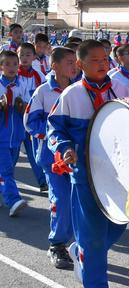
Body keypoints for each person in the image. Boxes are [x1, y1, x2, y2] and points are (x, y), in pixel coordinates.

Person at [47, 40, 129, 286]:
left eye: (105, 59)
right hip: (85, 175)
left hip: (117, 174)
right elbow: (54, 128)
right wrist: (65, 149)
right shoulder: (71, 95)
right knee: (94, 238)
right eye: (95, 60)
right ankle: (92, 269)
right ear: (81, 65)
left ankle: (82, 249)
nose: (102, 63)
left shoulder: (120, 90)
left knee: (120, 222)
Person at [24, 47, 77, 269]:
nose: (74, 66)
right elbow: (30, 121)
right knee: (61, 200)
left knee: (78, 201)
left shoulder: (78, 90)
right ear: (54, 66)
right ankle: (57, 245)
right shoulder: (43, 92)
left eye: (75, 62)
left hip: (76, 158)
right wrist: (53, 136)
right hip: (52, 159)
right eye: (68, 62)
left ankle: (77, 243)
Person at [0, 50, 30, 216]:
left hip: (16, 135)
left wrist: (22, 106)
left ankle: (5, 193)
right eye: (7, 64)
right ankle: (13, 200)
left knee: (8, 169)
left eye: (15, 64)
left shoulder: (21, 85)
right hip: (1, 135)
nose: (12, 68)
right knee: (5, 171)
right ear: (1, 67)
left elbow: (27, 107)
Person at [17, 42, 47, 191]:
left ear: (34, 57)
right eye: (21, 54)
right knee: (12, 155)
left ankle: (42, 182)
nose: (24, 58)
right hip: (15, 120)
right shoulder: (13, 74)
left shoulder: (38, 75)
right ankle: (4, 182)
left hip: (31, 121)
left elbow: (45, 93)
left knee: (34, 152)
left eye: (28, 54)